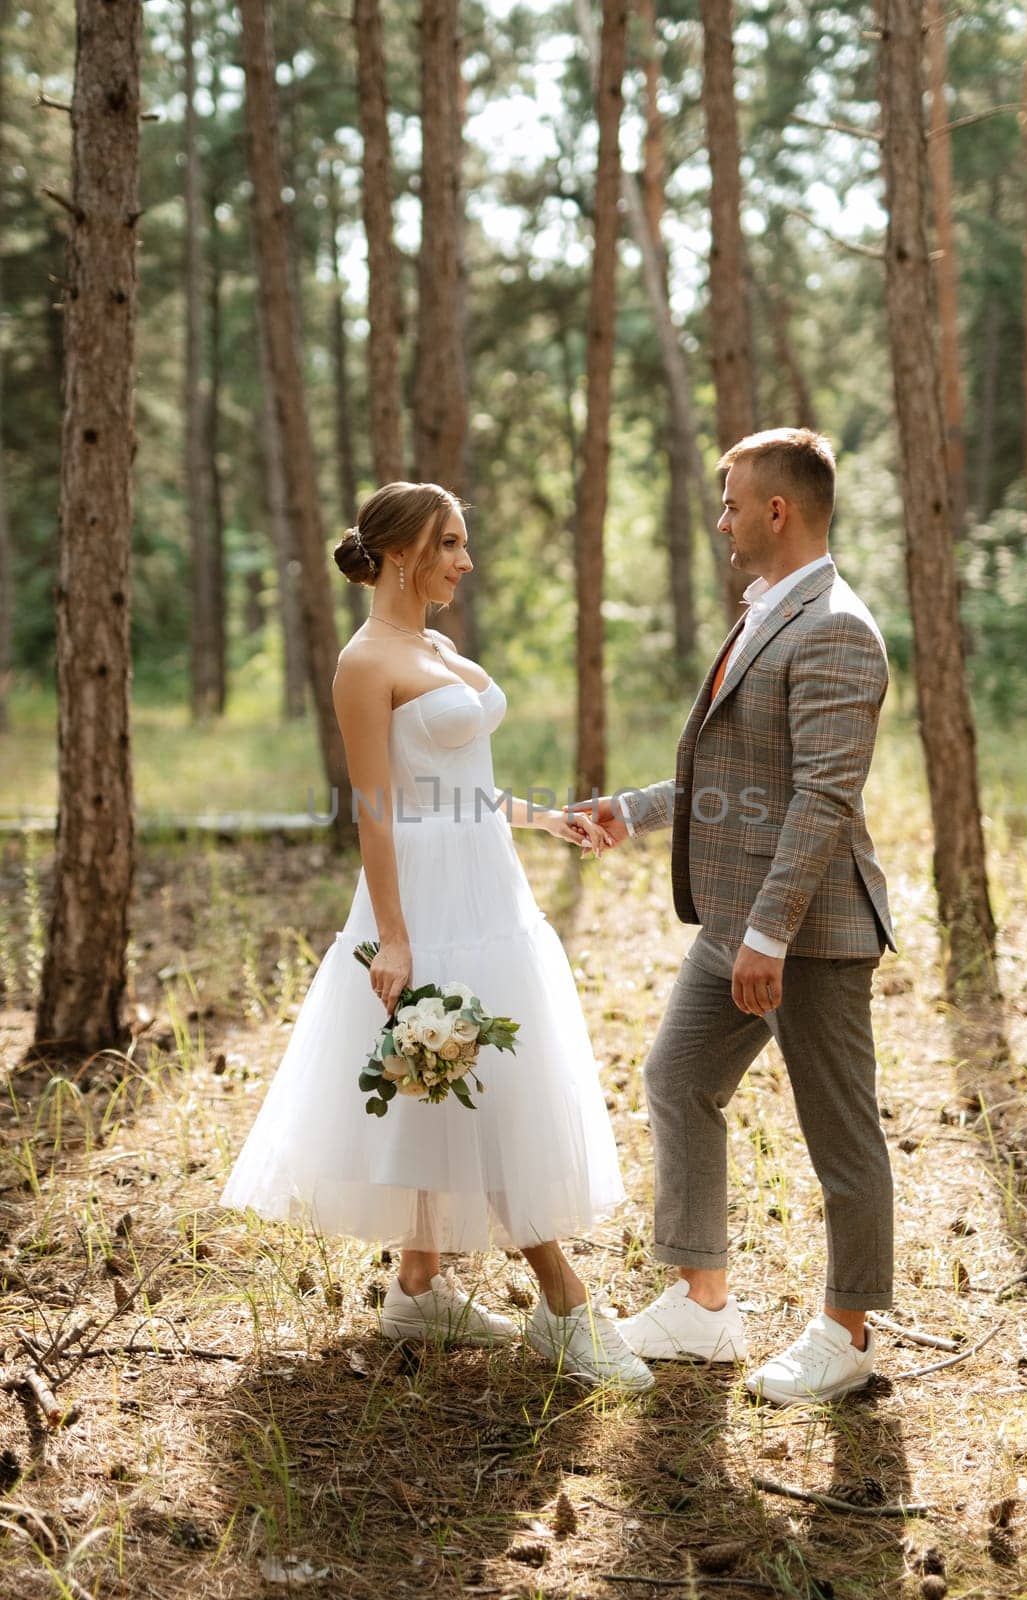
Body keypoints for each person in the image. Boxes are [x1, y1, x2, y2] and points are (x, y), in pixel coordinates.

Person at [221, 480, 652, 1394]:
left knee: (464, 1074)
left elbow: (461, 783)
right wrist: (395, 938)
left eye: (464, 542)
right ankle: (565, 1305)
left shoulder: (436, 645)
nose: (464, 560)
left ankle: (419, 1286)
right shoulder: (365, 661)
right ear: (406, 550)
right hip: (422, 891)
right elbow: (379, 811)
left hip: (489, 878)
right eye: (451, 543)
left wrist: (545, 820)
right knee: (475, 1074)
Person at [586, 429, 896, 1405]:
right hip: (735, 921)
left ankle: (845, 1334)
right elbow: (730, 769)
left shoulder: (838, 627)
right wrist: (628, 812)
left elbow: (819, 800)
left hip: (807, 932)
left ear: (777, 510)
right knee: (677, 1076)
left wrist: (769, 934)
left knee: (839, 1132)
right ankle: (701, 1300)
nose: (720, 520)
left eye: (730, 502)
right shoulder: (768, 614)